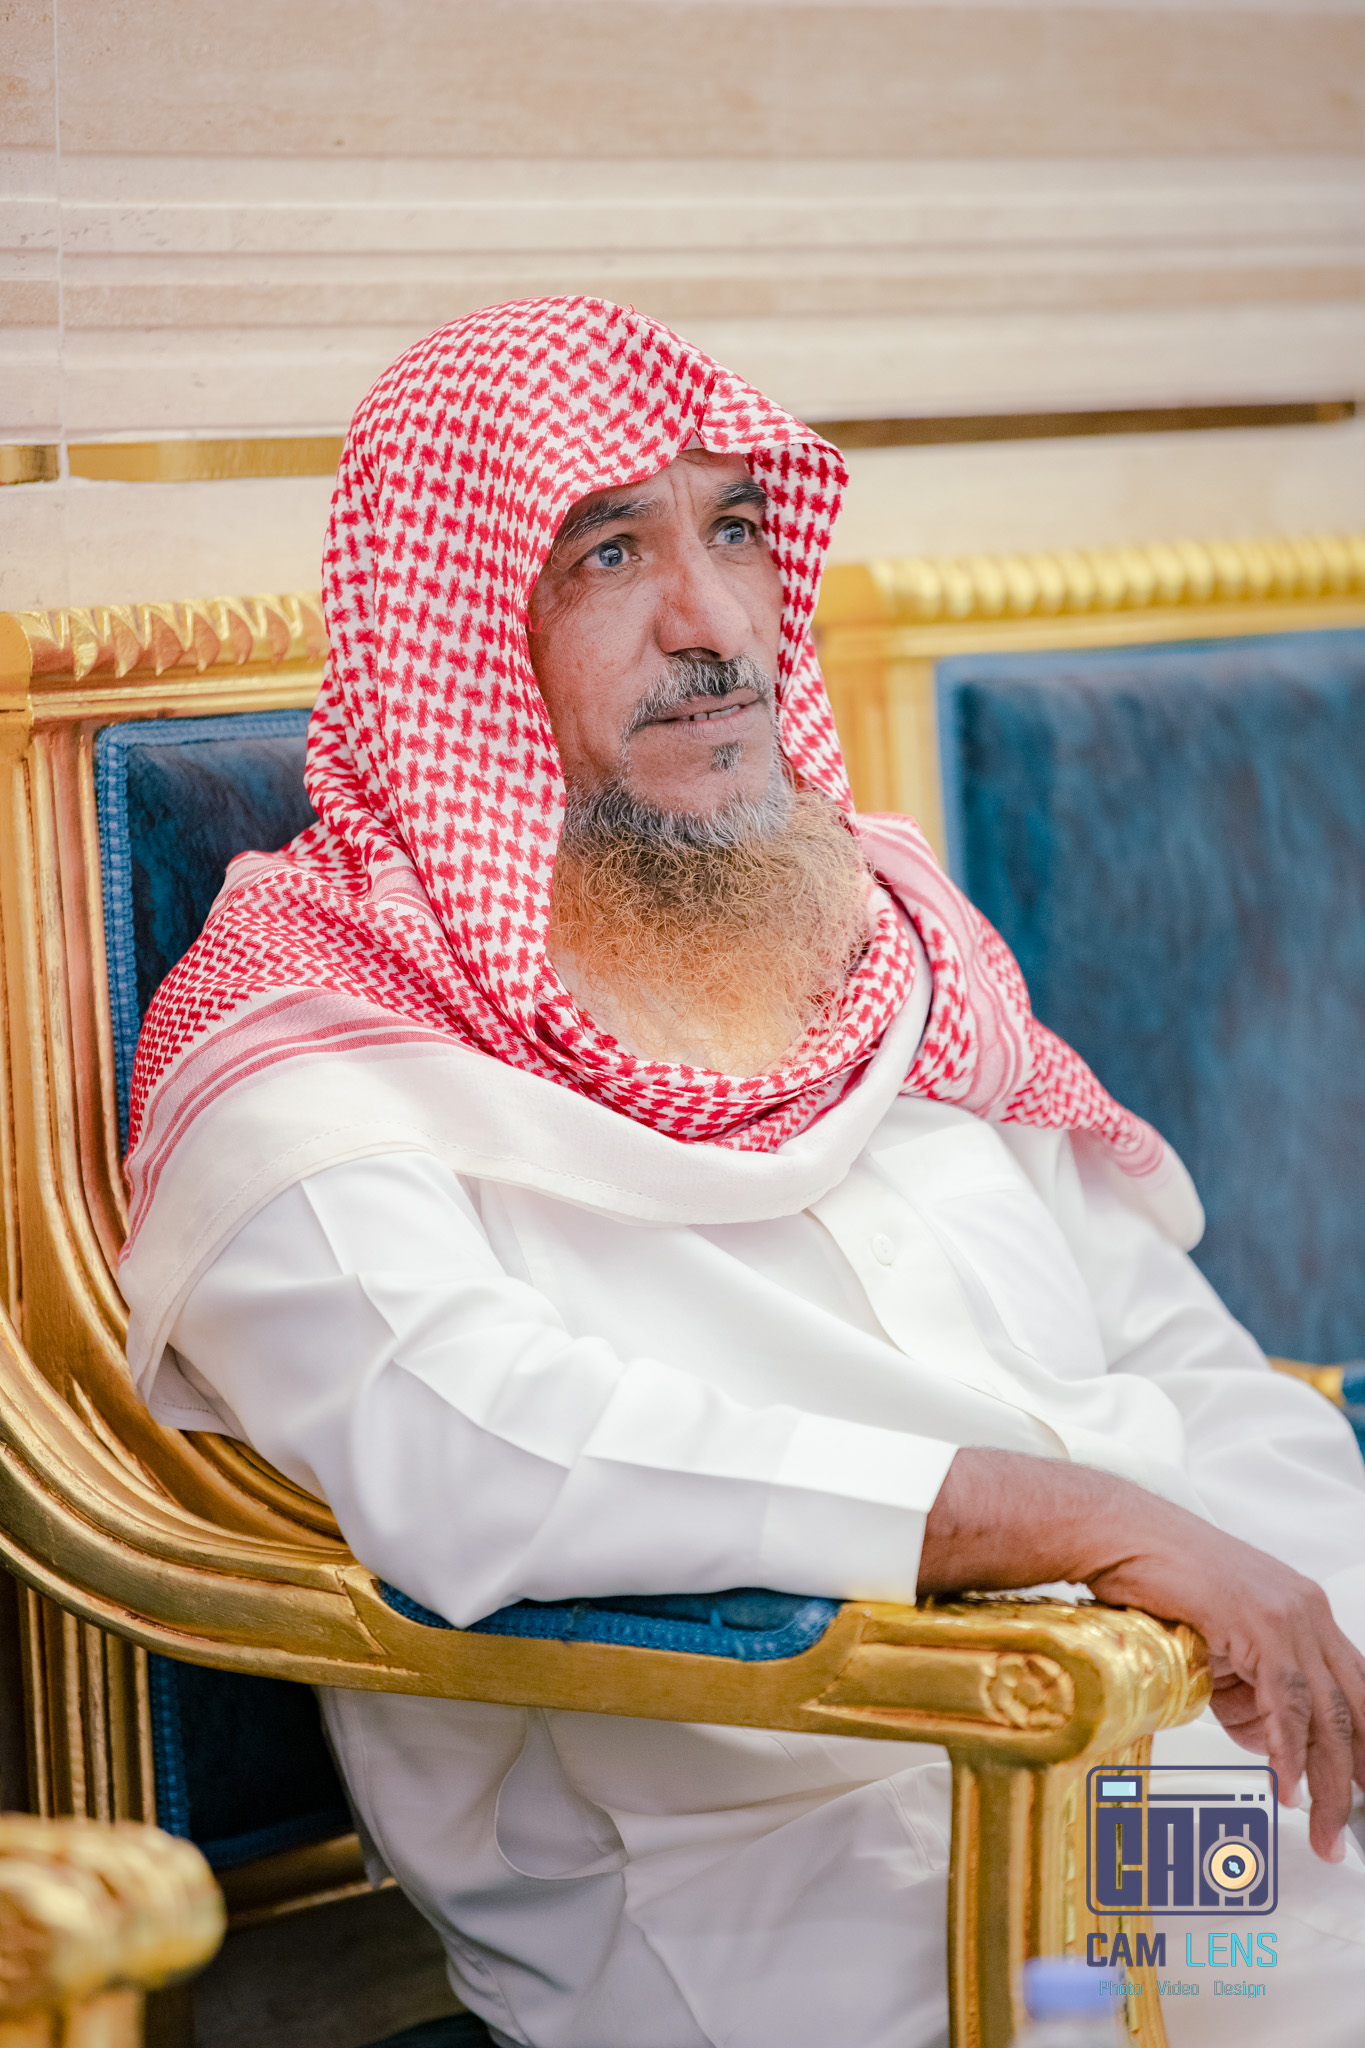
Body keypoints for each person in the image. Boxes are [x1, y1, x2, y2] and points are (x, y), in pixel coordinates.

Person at [120, 298, 1365, 2048]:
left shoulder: (869, 944)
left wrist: (1312, 1622)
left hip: (1156, 1779)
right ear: (459, 633)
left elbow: (1181, 1364)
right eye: (608, 552)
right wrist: (1074, 1518)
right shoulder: (311, 1043)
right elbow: (487, 1454)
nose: (710, 624)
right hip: (786, 1891)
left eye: (736, 531)